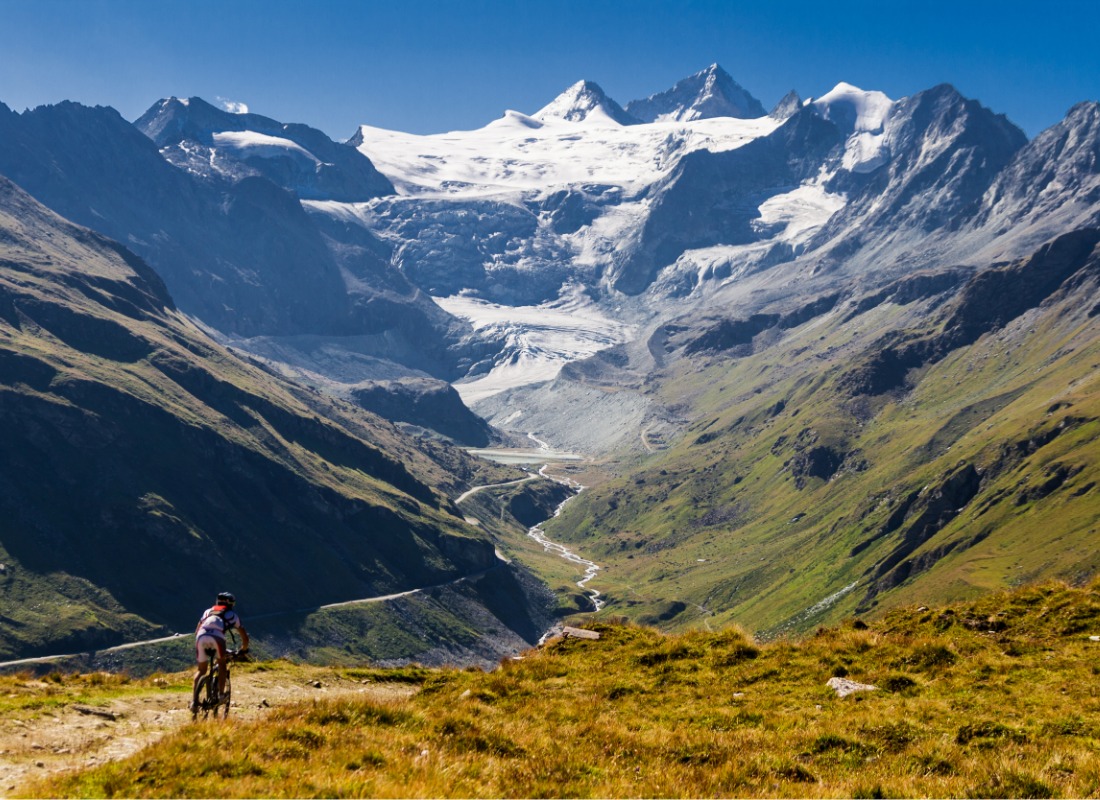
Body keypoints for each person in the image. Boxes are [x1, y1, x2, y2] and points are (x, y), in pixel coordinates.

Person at [192, 591, 250, 713]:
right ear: (231, 604)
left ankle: (194, 701)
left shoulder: (207, 612)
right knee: (222, 664)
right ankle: (221, 695)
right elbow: (244, 637)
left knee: (201, 670)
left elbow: (197, 630)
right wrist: (243, 650)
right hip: (217, 638)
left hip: (201, 636)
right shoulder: (232, 615)